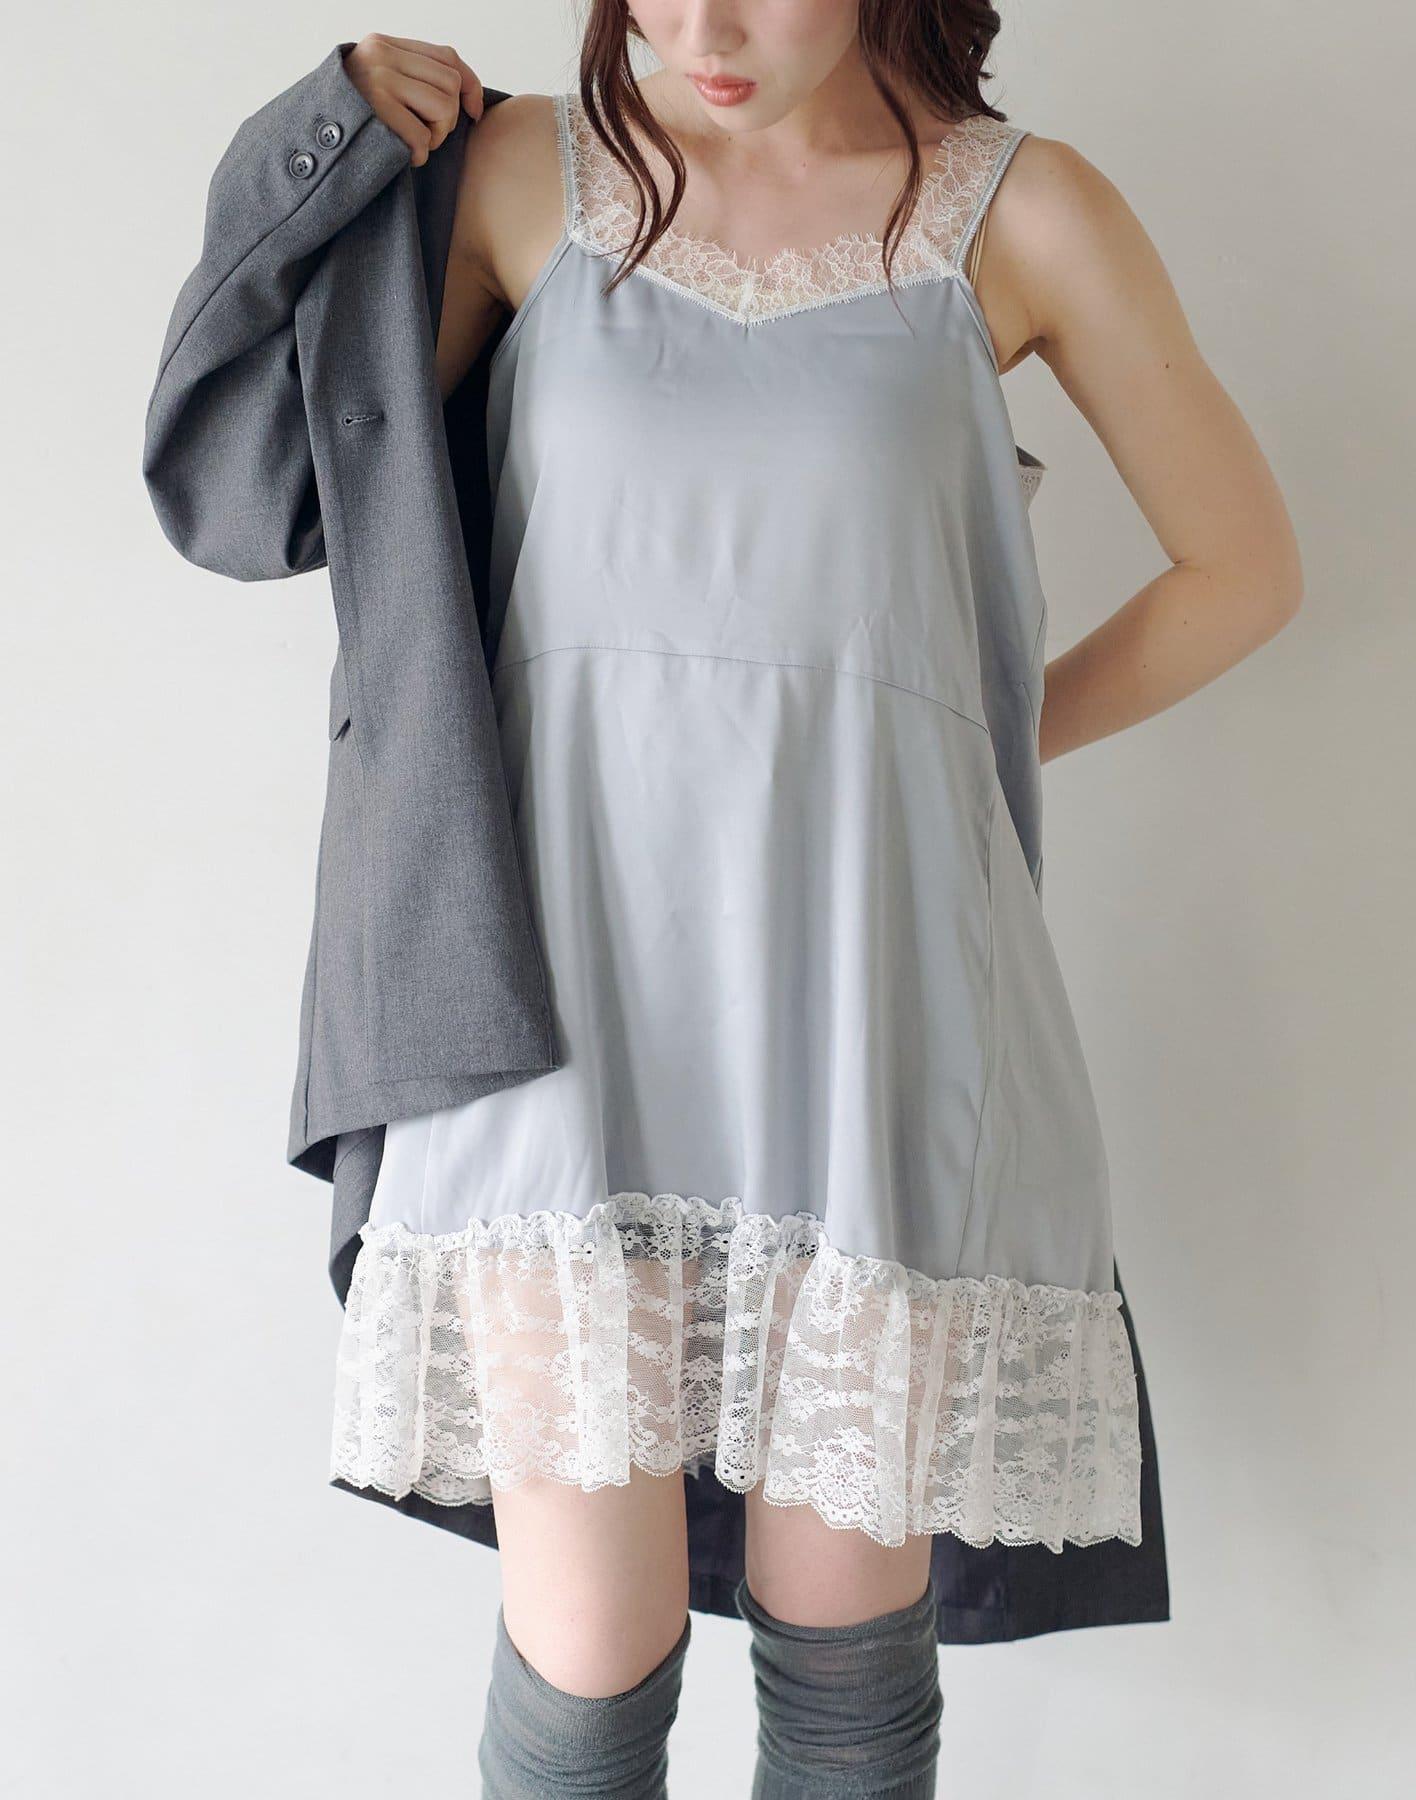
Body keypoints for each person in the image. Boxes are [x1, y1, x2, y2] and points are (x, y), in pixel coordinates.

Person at [213, 9, 1300, 1795]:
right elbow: (260, 489)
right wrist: (314, 141)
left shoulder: (1025, 215)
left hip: (874, 1006)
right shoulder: (524, 177)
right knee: (587, 1656)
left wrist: (951, 737)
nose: (702, 29)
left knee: (841, 1648)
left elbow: (1242, 567)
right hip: (550, 1012)